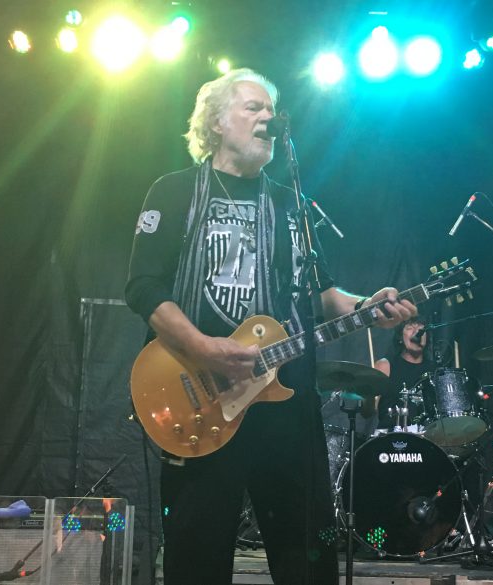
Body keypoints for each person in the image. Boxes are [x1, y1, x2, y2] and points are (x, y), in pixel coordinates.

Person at [125, 68, 417, 585]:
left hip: (283, 396)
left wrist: (366, 303)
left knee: (307, 545)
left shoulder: (290, 204)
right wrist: (203, 347)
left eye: (271, 110)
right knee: (197, 548)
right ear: (216, 121)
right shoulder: (173, 192)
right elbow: (143, 288)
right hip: (199, 389)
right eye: (253, 108)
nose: (268, 118)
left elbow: (323, 293)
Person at [374, 317, 433, 431]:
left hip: (426, 436)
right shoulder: (385, 365)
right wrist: (366, 393)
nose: (416, 332)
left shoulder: (434, 370)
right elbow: (368, 411)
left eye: (420, 328)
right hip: (390, 435)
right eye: (410, 328)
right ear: (400, 338)